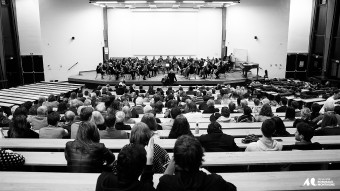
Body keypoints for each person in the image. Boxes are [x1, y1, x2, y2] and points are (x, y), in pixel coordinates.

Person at [157, 135, 236, 191]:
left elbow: (163, 182)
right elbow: (233, 188)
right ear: (201, 158)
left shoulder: (166, 183)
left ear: (175, 162)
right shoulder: (215, 181)